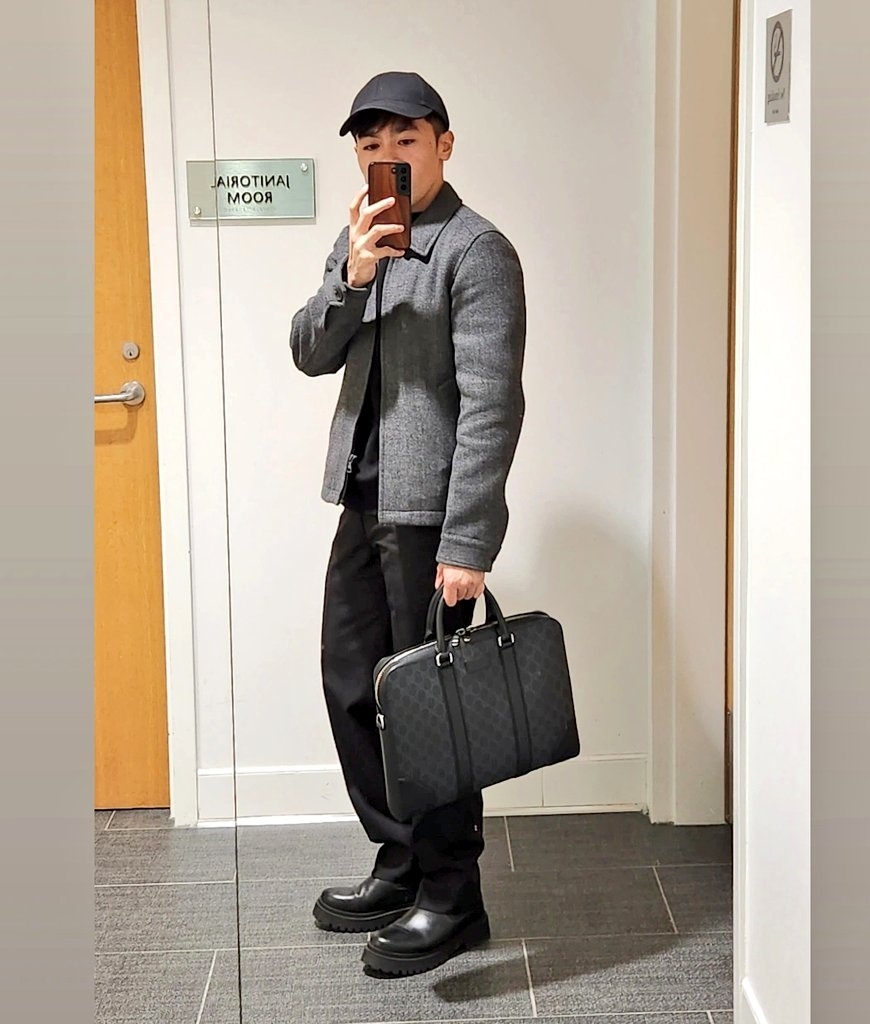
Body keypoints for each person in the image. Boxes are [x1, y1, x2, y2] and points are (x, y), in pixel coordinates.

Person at [289, 71, 526, 977]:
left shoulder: (478, 251)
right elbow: (309, 351)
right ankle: (400, 863)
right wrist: (353, 276)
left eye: (405, 140)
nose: (385, 157)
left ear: (443, 145)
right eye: (369, 144)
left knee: (430, 710)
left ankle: (453, 897)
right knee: (353, 684)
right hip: (362, 499)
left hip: (430, 517)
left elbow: (492, 406)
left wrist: (469, 543)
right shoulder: (359, 239)